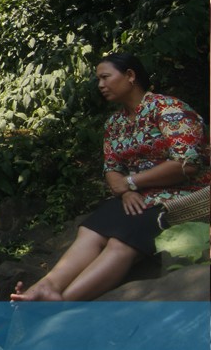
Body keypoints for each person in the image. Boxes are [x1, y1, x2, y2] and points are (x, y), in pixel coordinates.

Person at [11, 52, 210, 301]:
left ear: (130, 76)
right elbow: (112, 170)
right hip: (137, 196)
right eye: (98, 79)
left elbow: (186, 163)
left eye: (105, 77)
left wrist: (130, 183)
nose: (100, 85)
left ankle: (64, 301)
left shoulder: (168, 109)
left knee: (121, 242)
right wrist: (125, 191)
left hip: (182, 196)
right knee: (92, 230)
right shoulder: (115, 122)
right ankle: (46, 286)